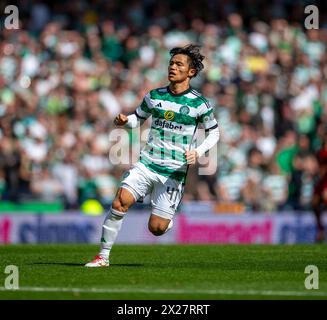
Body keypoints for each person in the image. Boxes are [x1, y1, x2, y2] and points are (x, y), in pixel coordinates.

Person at [85, 44, 220, 267]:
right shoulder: (154, 96)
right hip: (147, 164)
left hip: (173, 173)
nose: (173, 67)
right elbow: (138, 119)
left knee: (156, 229)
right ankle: (103, 256)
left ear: (191, 72)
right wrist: (124, 121)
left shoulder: (200, 104)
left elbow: (214, 133)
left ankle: (167, 217)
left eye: (179, 64)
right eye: (171, 63)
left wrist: (198, 151)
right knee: (120, 202)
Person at [312, 131, 327, 242]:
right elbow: (317, 167)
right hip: (322, 181)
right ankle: (320, 229)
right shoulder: (320, 152)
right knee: (314, 203)